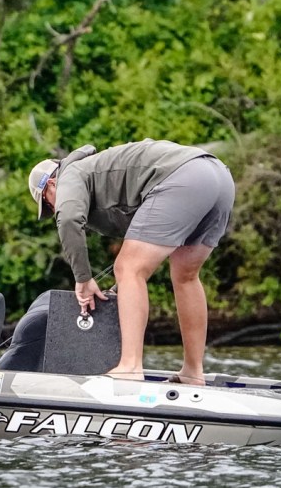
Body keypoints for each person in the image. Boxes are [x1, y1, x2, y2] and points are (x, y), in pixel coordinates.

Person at [28, 139, 235, 384]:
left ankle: (130, 367)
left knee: (128, 268)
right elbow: (149, 244)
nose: (53, 210)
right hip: (218, 177)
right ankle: (192, 373)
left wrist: (83, 280)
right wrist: (120, 288)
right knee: (185, 276)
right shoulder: (98, 175)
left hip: (184, 177)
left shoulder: (70, 174)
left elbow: (69, 220)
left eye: (48, 203)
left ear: (52, 184)